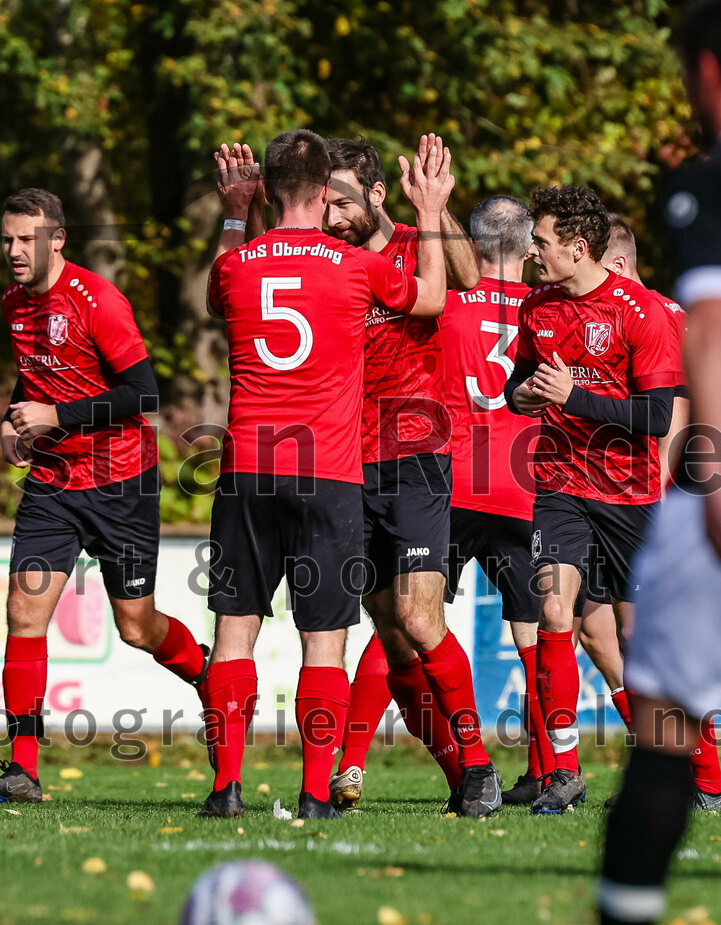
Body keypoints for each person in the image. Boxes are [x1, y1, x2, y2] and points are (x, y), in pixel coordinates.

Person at [201, 129, 447, 820]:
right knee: (324, 638)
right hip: (329, 472)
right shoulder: (351, 266)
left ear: (271, 189)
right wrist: (427, 209)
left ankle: (226, 787)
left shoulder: (240, 264)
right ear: (322, 192)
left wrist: (233, 210)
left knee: (234, 631)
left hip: (247, 468)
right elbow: (430, 298)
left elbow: (214, 301)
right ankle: (314, 792)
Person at [599, 1, 721, 920]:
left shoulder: (708, 184)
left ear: (706, 72)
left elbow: (714, 330)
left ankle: (625, 906)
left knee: (663, 724)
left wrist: (711, 476)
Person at [0, 188, 209, 802]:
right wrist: (12, 419)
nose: (14, 251)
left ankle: (206, 674)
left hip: (120, 481)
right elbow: (33, 374)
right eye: (6, 239)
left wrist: (57, 416)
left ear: (57, 240)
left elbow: (144, 393)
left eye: (26, 239)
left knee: (135, 626)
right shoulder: (13, 304)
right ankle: (23, 769)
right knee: (23, 612)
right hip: (53, 484)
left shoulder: (97, 299)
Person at [320, 137, 506, 818]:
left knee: (419, 617)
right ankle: (462, 774)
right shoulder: (330, 262)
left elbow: (465, 277)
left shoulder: (413, 242)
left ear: (375, 194)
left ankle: (480, 761)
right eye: (320, 204)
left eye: (340, 201)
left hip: (418, 455)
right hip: (346, 462)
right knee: (393, 640)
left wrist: (433, 207)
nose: (331, 216)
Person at [504, 185, 684, 815]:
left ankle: (683, 770)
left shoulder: (641, 312)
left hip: (630, 495)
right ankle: (563, 770)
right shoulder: (538, 307)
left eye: (543, 242)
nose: (531, 253)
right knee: (556, 608)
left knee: (640, 636)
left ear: (579, 248)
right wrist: (526, 397)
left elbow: (658, 416)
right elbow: (513, 388)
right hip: (558, 485)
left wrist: (569, 397)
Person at [590, 216, 721, 810]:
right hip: (596, 489)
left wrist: (673, 506)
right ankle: (671, 761)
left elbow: (674, 425)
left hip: (648, 497)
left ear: (617, 266)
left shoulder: (653, 314)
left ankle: (706, 778)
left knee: (636, 635)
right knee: (595, 630)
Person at [437, 195, 555, 806]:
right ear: (532, 246)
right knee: (535, 636)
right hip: (528, 484)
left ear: (474, 247)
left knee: (410, 622)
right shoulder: (549, 306)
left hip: (452, 482)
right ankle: (549, 770)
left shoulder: (447, 298)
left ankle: (348, 762)